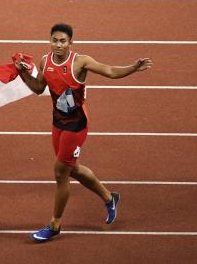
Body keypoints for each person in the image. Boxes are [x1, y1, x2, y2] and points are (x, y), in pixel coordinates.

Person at [14, 23, 153, 243]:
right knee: (72, 169)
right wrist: (22, 74)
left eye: (62, 41)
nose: (58, 45)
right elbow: (39, 87)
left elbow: (109, 71)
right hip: (58, 123)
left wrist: (132, 67)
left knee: (60, 172)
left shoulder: (80, 62)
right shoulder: (45, 61)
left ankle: (55, 224)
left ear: (71, 43)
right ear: (49, 40)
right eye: (54, 40)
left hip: (77, 126)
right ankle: (110, 197)